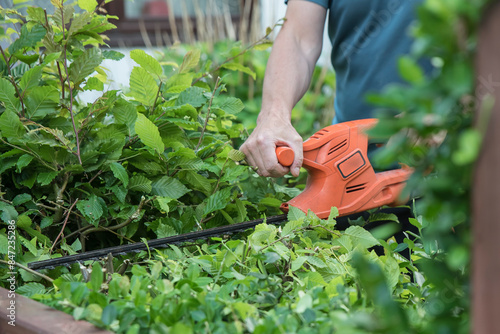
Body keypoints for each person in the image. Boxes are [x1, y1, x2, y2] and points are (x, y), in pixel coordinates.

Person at [240, 0, 427, 177]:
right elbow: (298, 38)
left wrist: (447, 111)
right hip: (352, 169)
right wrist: (274, 116)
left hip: (446, 169)